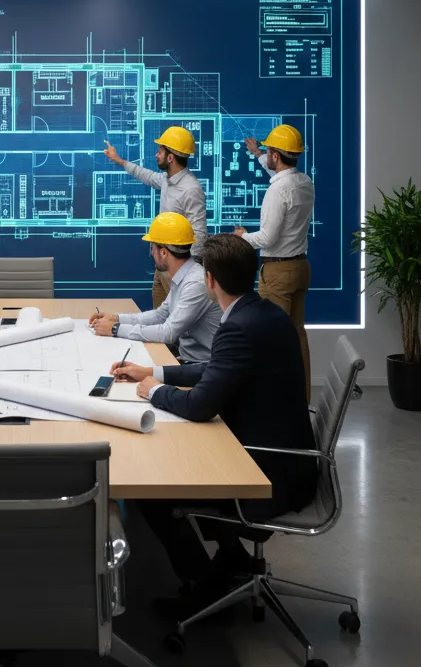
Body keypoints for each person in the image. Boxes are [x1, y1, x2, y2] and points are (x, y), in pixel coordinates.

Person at [112, 234, 316, 619]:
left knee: (154, 493)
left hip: (265, 472)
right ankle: (233, 561)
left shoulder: (238, 326)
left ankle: (203, 585)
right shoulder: (261, 313)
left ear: (209, 281)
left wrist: (153, 391)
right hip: (288, 458)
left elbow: (201, 405)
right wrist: (154, 371)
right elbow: (214, 369)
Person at [234, 125, 315, 399]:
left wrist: (243, 237)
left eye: (269, 151)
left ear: (276, 155)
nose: (267, 155)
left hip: (278, 273)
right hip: (300, 268)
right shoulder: (304, 183)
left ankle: (273, 404)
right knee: (296, 336)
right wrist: (257, 153)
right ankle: (300, 400)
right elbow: (280, 178)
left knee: (270, 341)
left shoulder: (278, 191)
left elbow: (267, 237)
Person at [87, 212, 220, 363]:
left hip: (202, 367)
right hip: (188, 361)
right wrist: (116, 318)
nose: (151, 253)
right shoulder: (184, 276)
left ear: (163, 252)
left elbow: (168, 333)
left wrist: (115, 328)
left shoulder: (195, 283)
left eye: (152, 247)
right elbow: (160, 315)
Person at [103, 126, 208, 309]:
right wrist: (119, 161)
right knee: (160, 315)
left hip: (177, 267)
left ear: (170, 157)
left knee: (177, 322)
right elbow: (147, 176)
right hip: (164, 265)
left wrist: (186, 271)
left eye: (160, 150)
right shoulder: (167, 180)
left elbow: (199, 234)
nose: (156, 154)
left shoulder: (191, 189)